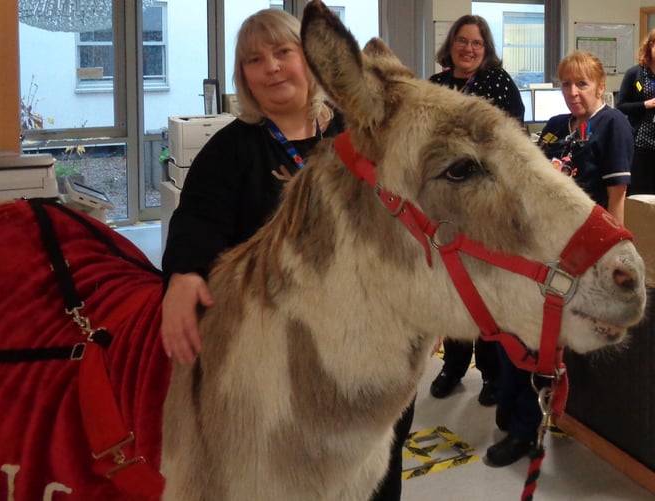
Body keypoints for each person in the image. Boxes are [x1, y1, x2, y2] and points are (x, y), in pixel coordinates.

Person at [160, 9, 412, 500]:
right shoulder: (227, 152)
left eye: (283, 53)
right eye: (254, 60)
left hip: (368, 335)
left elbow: (404, 216)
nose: (270, 68)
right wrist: (182, 276)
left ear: (312, 61)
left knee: (373, 464)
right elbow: (197, 225)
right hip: (279, 352)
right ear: (244, 77)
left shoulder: (356, 134)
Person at [487, 50, 633, 467]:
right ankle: (510, 405)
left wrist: (612, 260)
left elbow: (615, 201)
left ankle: (525, 430)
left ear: (600, 85)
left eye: (582, 84)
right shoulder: (554, 127)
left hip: (580, 256)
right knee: (512, 329)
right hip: (538, 248)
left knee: (542, 342)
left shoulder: (613, 126)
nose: (572, 93)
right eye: (566, 84)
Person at [427, 14, 525, 406]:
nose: (468, 48)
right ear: (451, 44)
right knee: (449, 284)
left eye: (477, 43)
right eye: (462, 40)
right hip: (444, 203)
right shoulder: (435, 86)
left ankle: (489, 373)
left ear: (486, 50)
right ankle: (453, 365)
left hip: (484, 201)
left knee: (483, 287)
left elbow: (513, 137)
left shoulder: (497, 82)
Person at [617, 28, 655, 195]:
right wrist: (645, 104)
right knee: (639, 193)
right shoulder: (636, 73)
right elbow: (621, 105)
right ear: (650, 47)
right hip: (641, 143)